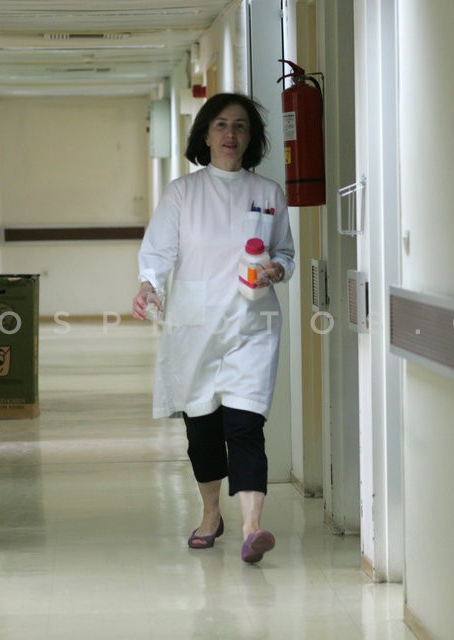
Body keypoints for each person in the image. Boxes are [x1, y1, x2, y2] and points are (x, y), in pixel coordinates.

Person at [132, 93, 295, 564]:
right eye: (221, 124)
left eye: (240, 126)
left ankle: (252, 527)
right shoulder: (183, 192)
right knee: (202, 428)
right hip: (196, 326)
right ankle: (210, 514)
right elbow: (158, 251)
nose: (230, 134)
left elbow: (284, 252)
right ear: (205, 134)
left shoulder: (268, 193)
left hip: (252, 323)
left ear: (251, 137)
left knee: (246, 425)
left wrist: (277, 269)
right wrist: (148, 285)